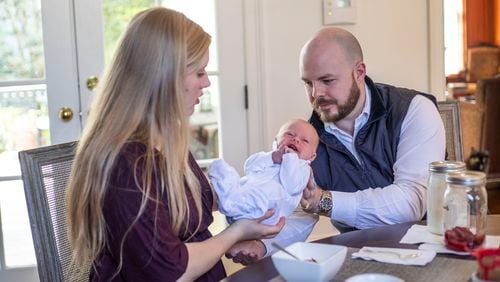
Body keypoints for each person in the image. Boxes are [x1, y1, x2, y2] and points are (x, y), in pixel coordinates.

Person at [66, 7, 284, 281]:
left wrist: (264, 185)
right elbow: (172, 272)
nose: (206, 83)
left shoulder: (165, 139)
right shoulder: (125, 165)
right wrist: (236, 233)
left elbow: (192, 207)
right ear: (164, 76)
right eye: (199, 72)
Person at [226, 26, 445, 263]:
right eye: (308, 83)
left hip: (433, 250)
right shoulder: (307, 141)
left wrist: (323, 200)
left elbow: (411, 202)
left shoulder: (413, 110)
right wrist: (262, 245)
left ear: (359, 72)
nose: (316, 94)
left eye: (327, 80)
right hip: (359, 257)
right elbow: (298, 212)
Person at [208, 119, 319, 225]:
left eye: (305, 141)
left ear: (312, 156)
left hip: (268, 212)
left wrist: (290, 159)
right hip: (247, 195)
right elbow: (249, 167)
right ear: (275, 141)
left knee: (273, 190)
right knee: (243, 181)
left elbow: (292, 187)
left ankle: (230, 200)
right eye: (289, 134)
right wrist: (272, 157)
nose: (296, 140)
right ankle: (228, 192)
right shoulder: (271, 156)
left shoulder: (304, 168)